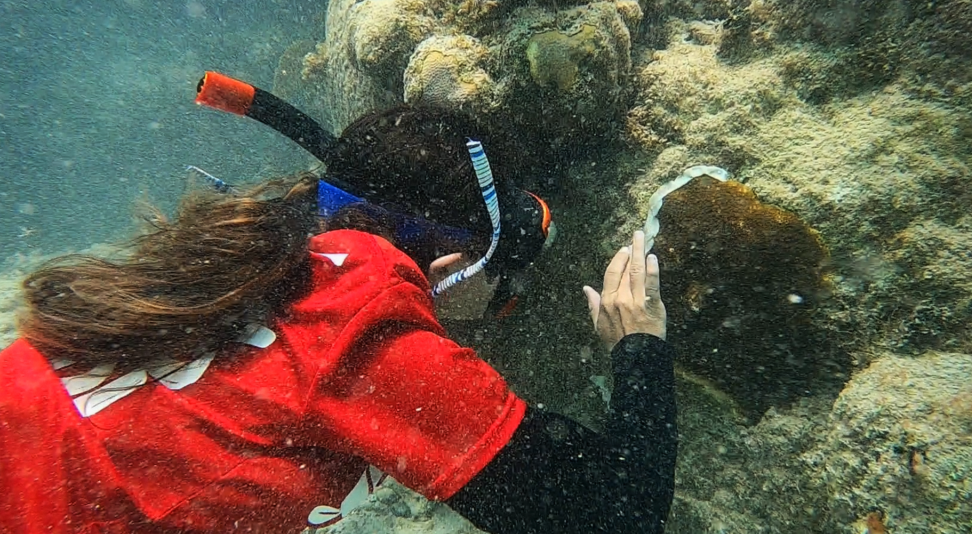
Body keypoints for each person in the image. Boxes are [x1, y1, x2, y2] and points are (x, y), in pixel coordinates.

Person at [0, 174, 677, 533]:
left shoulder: (263, 265)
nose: (509, 301)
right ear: (453, 263)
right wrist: (639, 345)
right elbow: (616, 516)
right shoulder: (371, 340)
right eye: (504, 279)